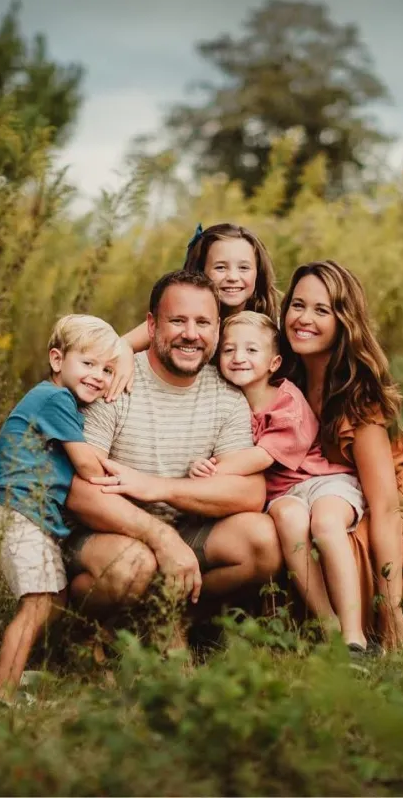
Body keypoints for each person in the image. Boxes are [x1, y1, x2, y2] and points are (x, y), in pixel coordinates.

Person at [63, 270, 282, 634]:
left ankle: (167, 620)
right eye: (177, 321)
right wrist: (160, 538)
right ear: (151, 326)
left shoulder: (227, 397)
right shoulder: (114, 382)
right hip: (107, 536)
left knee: (262, 540)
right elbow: (79, 491)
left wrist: (158, 488)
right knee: (132, 564)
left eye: (203, 323)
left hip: (186, 535)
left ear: (217, 328)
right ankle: (77, 631)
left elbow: (250, 492)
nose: (191, 334)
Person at [278, 260, 403, 650]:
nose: (304, 319)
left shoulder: (359, 397)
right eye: (297, 305)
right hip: (338, 505)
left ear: (344, 321)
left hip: (398, 520)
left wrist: (389, 610)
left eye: (322, 310)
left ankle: (382, 616)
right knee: (290, 534)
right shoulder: (288, 375)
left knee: (324, 549)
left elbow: (385, 506)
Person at [187, 311, 375, 655]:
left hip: (323, 480)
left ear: (274, 363)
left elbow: (262, 457)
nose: (238, 357)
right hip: (281, 494)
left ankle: (354, 635)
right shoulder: (226, 403)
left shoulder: (287, 400)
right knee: (289, 519)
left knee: (326, 522)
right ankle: (327, 624)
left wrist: (213, 468)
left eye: (250, 350)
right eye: (228, 350)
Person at [0, 314, 121, 702]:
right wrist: (126, 479)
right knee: (38, 603)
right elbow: (87, 465)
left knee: (56, 600)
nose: (98, 376)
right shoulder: (56, 399)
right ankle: (2, 694)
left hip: (28, 515)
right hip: (19, 513)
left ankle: (20, 668)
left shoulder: (60, 399)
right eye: (88, 364)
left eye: (108, 369)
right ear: (58, 360)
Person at [105, 222, 281, 401]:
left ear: (257, 273)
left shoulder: (267, 324)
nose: (233, 277)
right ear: (200, 272)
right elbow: (123, 344)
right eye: (220, 267)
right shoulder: (180, 319)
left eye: (243, 268)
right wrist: (126, 360)